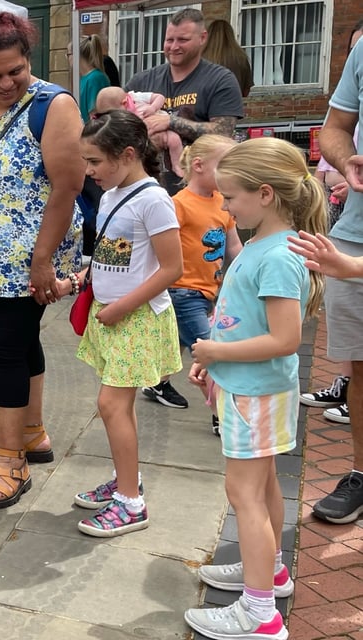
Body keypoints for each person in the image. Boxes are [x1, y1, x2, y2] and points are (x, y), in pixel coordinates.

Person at [184, 137, 325, 640]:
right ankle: (269, 571)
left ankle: (259, 612)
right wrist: (216, 361)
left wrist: (215, 354)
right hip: (248, 386)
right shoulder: (269, 246)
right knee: (261, 486)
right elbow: (244, 321)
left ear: (266, 194)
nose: (225, 205)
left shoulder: (277, 255)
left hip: (256, 392)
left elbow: (285, 339)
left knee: (243, 491)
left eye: (232, 196)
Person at [0, 12, 84, 510]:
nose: (7, 83)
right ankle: (30, 433)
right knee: (20, 341)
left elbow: (67, 186)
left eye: (16, 71)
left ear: (29, 61)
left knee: (4, 350)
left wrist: (43, 260)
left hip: (28, 259)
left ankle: (12, 462)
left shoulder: (53, 105)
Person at [55, 109, 182, 536]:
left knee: (111, 406)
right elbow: (111, 257)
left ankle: (131, 502)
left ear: (128, 154)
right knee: (116, 408)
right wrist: (75, 281)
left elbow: (171, 268)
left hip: (136, 318)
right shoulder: (110, 195)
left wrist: (122, 306)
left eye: (94, 161)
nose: (88, 171)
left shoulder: (154, 199)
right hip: (111, 315)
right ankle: (127, 480)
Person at [137, 134, 240, 424]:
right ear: (198, 165)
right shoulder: (178, 204)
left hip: (209, 290)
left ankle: (157, 382)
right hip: (182, 290)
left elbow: (234, 246)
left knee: (179, 341)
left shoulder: (223, 202)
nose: (231, 173)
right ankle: (222, 418)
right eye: (225, 165)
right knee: (210, 352)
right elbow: (160, 247)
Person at [308, 15, 363, 525]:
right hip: (355, 234)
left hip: (352, 254)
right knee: (360, 365)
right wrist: (346, 161)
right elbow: (336, 129)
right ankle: (361, 474)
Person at [125, 8, 245, 193]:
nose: (174, 47)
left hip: (199, 192)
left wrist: (170, 122)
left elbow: (223, 133)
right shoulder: (142, 81)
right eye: (169, 40)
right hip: (146, 191)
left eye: (183, 40)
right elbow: (116, 128)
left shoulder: (221, 80)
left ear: (202, 38)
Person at [94, 87, 185, 178]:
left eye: (113, 114)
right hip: (144, 137)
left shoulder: (137, 97)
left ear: (124, 103)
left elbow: (160, 97)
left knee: (174, 140)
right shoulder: (119, 115)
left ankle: (177, 165)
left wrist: (153, 107)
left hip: (162, 127)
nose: (112, 118)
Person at [204, 19, 253, 99]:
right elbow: (246, 90)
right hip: (233, 106)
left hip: (207, 107)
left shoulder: (201, 58)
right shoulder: (241, 57)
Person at [74, 36, 110, 123]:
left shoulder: (95, 78)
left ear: (77, 55)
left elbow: (94, 115)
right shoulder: (84, 78)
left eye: (68, 54)